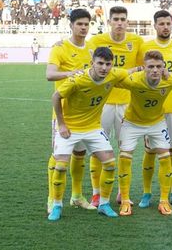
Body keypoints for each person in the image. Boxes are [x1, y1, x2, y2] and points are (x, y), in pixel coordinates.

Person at [48, 47, 130, 221]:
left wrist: (143, 69)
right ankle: (56, 205)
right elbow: (56, 96)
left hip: (93, 128)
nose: (104, 68)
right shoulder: (78, 80)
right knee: (60, 166)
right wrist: (61, 124)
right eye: (100, 63)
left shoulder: (113, 75)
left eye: (108, 64)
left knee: (109, 163)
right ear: (92, 63)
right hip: (70, 128)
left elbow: (130, 72)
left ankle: (104, 204)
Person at [88, 6, 143, 206]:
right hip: (101, 104)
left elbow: (143, 68)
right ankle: (96, 193)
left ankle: (122, 192)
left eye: (123, 19)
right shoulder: (96, 41)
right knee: (97, 148)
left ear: (127, 22)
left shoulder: (136, 41)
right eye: (116, 19)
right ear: (109, 21)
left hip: (127, 104)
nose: (120, 23)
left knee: (125, 149)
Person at [116, 51, 172, 216]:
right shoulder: (134, 80)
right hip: (132, 123)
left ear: (163, 68)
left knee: (165, 157)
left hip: (157, 123)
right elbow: (113, 77)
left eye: (158, 66)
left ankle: (164, 200)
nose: (154, 70)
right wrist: (132, 70)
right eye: (150, 66)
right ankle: (125, 201)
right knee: (125, 157)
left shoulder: (170, 80)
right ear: (144, 68)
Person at [45, 8, 96, 215]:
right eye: (79, 24)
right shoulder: (59, 48)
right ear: (71, 25)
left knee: (80, 153)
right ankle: (52, 199)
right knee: (58, 156)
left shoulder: (91, 49)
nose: (83, 28)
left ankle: (77, 196)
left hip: (85, 113)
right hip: (63, 113)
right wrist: (70, 73)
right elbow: (49, 74)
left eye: (86, 24)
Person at [136, 10, 172, 207]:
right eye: (161, 23)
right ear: (155, 25)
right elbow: (137, 73)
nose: (165, 27)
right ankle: (147, 192)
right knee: (150, 151)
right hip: (152, 107)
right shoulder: (145, 46)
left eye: (168, 23)